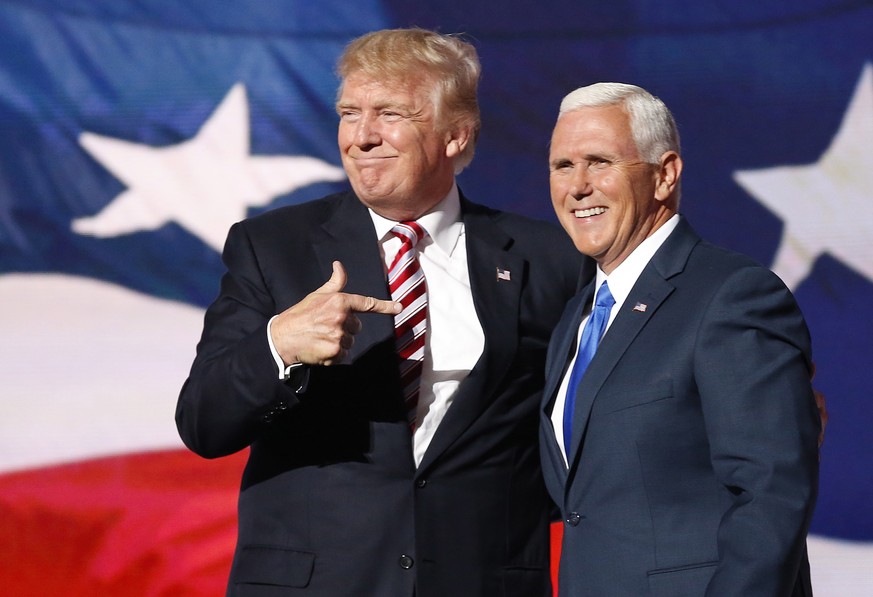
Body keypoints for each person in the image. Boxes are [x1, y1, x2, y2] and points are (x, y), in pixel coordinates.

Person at [175, 28, 584, 597]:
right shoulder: (274, 247)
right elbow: (202, 423)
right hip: (318, 583)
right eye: (349, 113)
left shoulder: (549, 258)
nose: (362, 137)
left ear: (455, 135)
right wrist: (278, 346)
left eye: (390, 113)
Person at [540, 82, 820, 596]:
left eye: (600, 162)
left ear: (664, 174)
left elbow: (771, 493)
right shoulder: (576, 320)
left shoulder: (732, 294)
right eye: (562, 166)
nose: (578, 186)